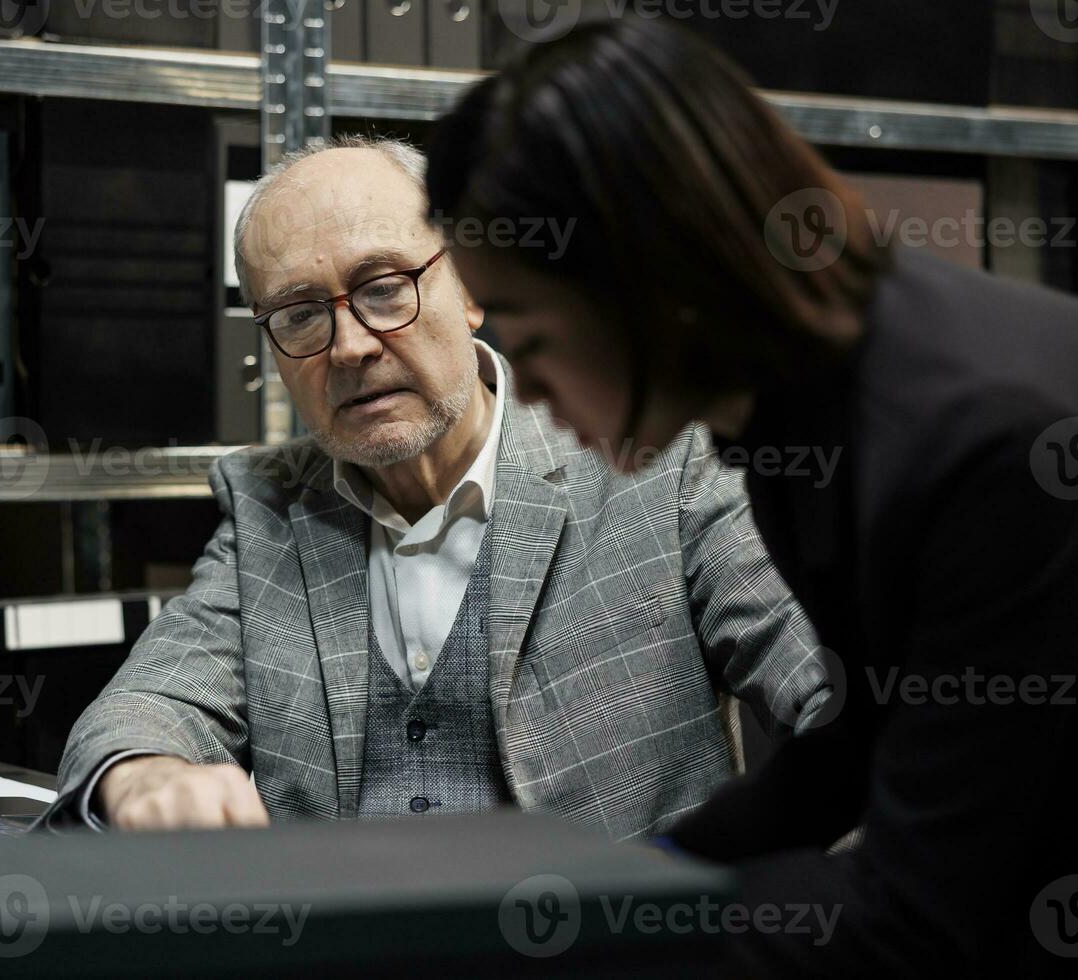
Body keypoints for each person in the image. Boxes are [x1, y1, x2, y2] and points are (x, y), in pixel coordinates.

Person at [424, 17, 1078, 978]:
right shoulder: (792, 406)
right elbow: (862, 744)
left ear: (652, 285)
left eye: (529, 343)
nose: (528, 393)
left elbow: (915, 917)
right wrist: (647, 871)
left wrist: (586, 942)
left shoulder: (991, 448)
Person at [52, 137, 830, 837]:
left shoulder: (659, 458)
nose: (351, 346)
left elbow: (829, 691)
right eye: (299, 314)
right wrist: (145, 770)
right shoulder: (270, 503)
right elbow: (147, 705)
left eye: (385, 286)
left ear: (471, 285)